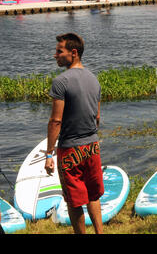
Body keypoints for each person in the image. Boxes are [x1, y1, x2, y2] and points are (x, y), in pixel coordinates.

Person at [44, 33, 104, 234]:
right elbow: (96, 117)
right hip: (92, 146)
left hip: (70, 149)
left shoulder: (60, 82)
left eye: (59, 51)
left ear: (74, 53)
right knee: (92, 195)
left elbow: (56, 120)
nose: (55, 55)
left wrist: (49, 154)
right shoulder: (94, 79)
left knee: (74, 200)